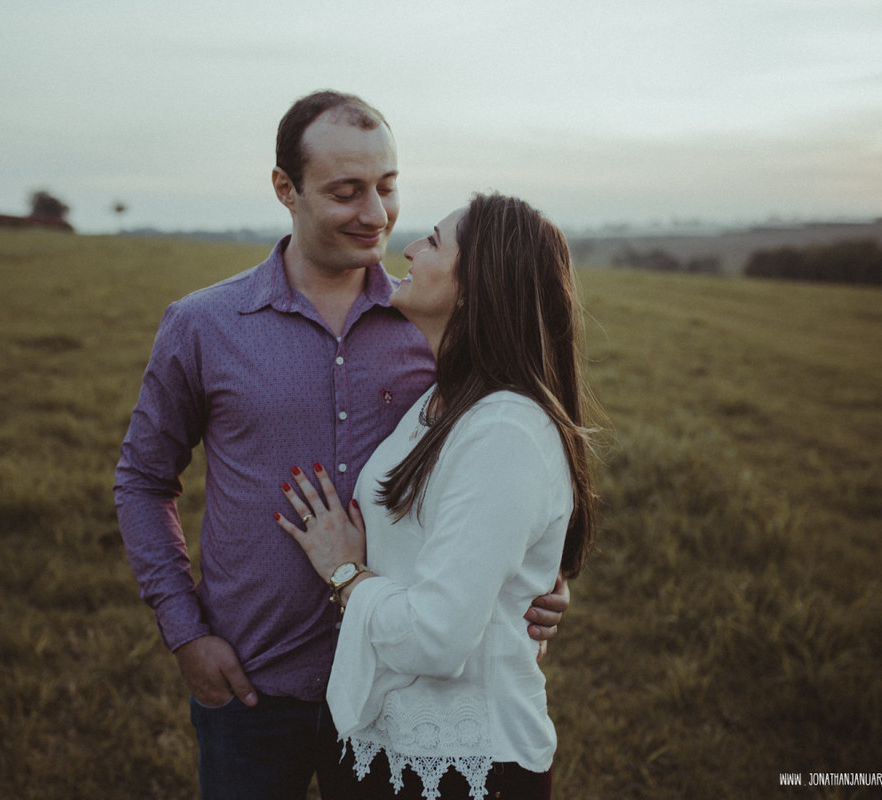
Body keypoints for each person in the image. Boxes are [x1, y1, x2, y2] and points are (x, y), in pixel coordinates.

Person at [114, 92, 570, 800]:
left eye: (387, 187)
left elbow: (499, 487)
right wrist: (184, 629)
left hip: (399, 699)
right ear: (285, 189)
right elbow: (143, 480)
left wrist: (534, 582)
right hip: (255, 685)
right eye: (346, 191)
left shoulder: (434, 328)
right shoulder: (203, 326)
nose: (377, 215)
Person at [276, 193, 599, 800]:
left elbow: (437, 637)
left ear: (475, 286)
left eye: (432, 240)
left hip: (465, 767)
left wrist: (345, 574)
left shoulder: (505, 430)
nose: (409, 248)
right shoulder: (437, 404)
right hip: (386, 747)